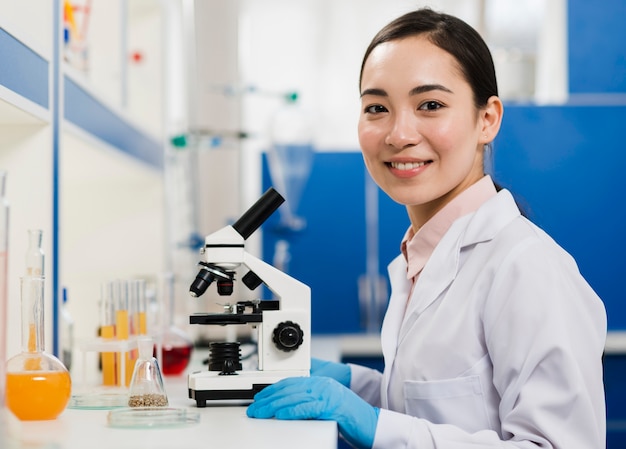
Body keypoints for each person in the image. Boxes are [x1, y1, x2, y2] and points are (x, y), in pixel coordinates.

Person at [246, 8, 607, 449]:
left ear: (487, 119)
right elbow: (439, 410)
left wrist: (376, 426)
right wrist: (356, 387)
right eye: (377, 108)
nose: (399, 134)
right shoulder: (420, 258)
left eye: (430, 105)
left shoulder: (526, 268)